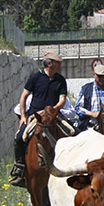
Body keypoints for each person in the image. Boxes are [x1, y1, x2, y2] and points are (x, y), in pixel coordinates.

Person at [10, 51, 67, 187]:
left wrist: (54, 109)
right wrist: (23, 116)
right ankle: (20, 168)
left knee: (73, 132)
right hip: (36, 116)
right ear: (49, 63)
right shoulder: (35, 78)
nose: (59, 66)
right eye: (57, 63)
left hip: (54, 115)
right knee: (19, 138)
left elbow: (62, 99)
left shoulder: (60, 80)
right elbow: (23, 97)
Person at [74, 62, 104, 132]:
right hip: (90, 127)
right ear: (94, 75)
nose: (102, 78)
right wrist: (92, 113)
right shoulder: (86, 89)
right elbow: (77, 108)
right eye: (99, 76)